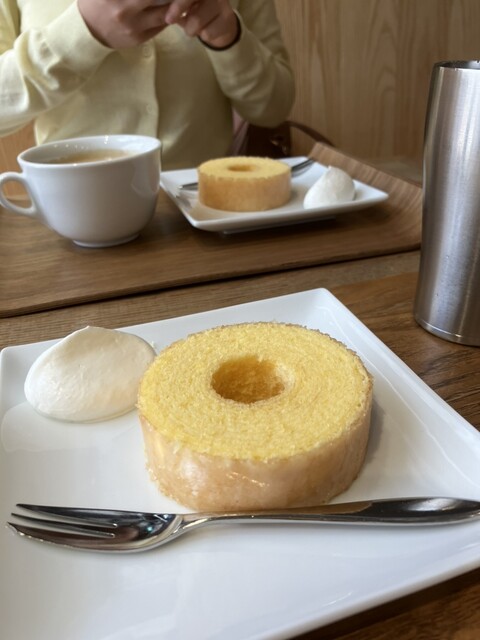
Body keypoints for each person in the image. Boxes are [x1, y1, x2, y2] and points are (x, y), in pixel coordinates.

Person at [0, 0, 295, 169]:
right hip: (69, 214)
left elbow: (273, 108)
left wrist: (228, 36)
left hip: (205, 212)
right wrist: (82, 34)